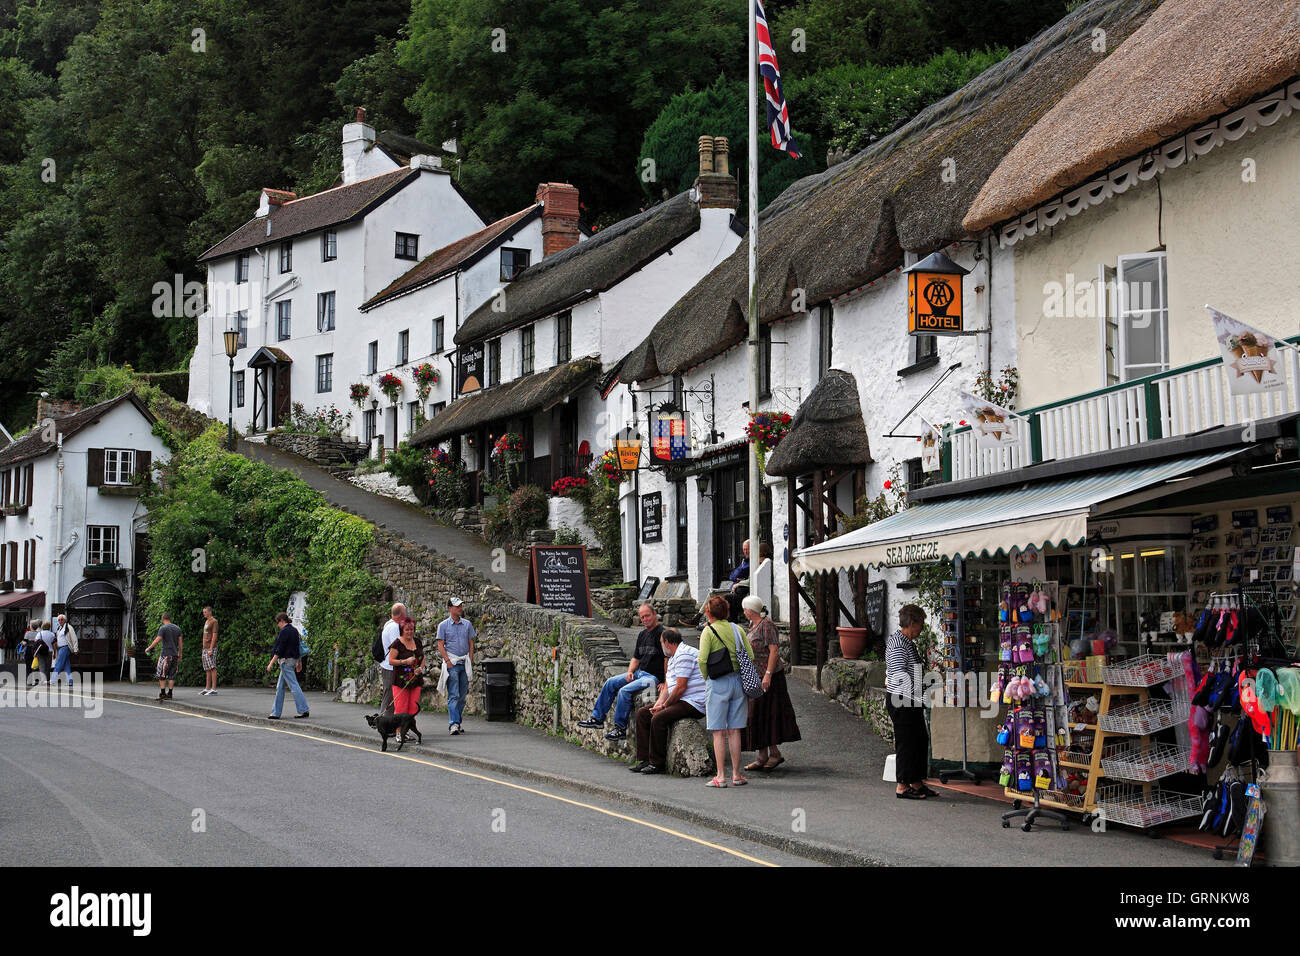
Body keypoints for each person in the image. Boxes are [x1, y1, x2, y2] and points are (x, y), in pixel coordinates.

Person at [578, 602, 664, 740]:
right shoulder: (642, 634)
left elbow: (669, 659)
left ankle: (620, 728)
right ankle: (597, 718)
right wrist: (630, 671)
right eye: (642, 617)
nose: (645, 619)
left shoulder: (662, 634)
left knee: (624, 691)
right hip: (639, 673)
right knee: (610, 682)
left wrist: (665, 681)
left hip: (652, 678)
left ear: (654, 614)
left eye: (647, 616)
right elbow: (636, 658)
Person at [630, 628, 706, 774]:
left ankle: (657, 763)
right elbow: (667, 686)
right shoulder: (673, 657)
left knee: (658, 718)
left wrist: (664, 706)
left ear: (667, 643)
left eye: (661, 643)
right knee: (643, 713)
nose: (661, 646)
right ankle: (645, 759)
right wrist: (659, 703)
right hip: (681, 699)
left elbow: (680, 687)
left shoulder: (684, 655)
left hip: (694, 702)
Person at [740, 595, 800, 771]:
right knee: (757, 715)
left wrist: (767, 675)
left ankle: (773, 754)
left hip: (770, 678)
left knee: (769, 715)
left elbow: (774, 651)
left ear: (751, 610)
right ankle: (763, 755)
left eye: (745, 609)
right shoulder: (753, 624)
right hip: (756, 676)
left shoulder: (767, 625)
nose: (743, 612)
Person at [697, 595, 749, 787]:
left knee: (718, 731)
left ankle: (720, 776)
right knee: (735, 730)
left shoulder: (708, 632)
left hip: (717, 682)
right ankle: (736, 774)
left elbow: (702, 659)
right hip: (737, 681)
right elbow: (749, 655)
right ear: (727, 611)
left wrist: (706, 678)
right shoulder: (738, 629)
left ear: (709, 612)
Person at [887, 604, 937, 800]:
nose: (922, 628)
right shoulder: (899, 644)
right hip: (902, 699)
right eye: (921, 624)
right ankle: (902, 785)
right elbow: (900, 676)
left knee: (919, 740)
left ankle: (916, 782)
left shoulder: (905, 641)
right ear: (912, 622)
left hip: (910, 699)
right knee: (907, 743)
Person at [436, 597, 475, 736]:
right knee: (454, 694)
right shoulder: (443, 625)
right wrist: (447, 660)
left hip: (463, 663)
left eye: (461, 606)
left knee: (462, 696)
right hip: (452, 663)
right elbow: (440, 644)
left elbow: (470, 642)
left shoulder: (467, 624)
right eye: (457, 606)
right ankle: (454, 724)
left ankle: (457, 721)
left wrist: (470, 659)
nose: (460, 608)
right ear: (450, 608)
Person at [267, 611, 309, 719]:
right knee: (280, 687)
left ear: (282, 621)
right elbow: (298, 647)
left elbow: (279, 649)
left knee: (294, 686)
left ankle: (303, 709)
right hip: (293, 660)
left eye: (278, 623)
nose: (278, 625)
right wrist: (299, 662)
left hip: (285, 662)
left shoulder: (284, 632)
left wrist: (270, 663)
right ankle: (275, 713)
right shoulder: (294, 631)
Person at [388, 616, 424, 737]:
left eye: (412, 629)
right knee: (401, 708)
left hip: (415, 680)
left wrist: (421, 668)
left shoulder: (417, 642)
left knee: (413, 708)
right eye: (407, 630)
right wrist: (405, 661)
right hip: (400, 681)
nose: (410, 632)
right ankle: (398, 732)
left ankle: (406, 731)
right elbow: (391, 661)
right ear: (402, 630)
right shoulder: (397, 644)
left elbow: (422, 658)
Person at [145, 612, 182, 701]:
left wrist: (149, 648)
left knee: (162, 675)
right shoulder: (177, 628)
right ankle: (170, 693)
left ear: (163, 619)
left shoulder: (163, 628)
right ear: (170, 619)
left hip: (166, 655)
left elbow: (158, 640)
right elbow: (180, 643)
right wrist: (180, 654)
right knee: (172, 675)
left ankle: (162, 693)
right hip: (174, 655)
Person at [378, 603, 406, 716]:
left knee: (389, 695)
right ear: (401, 614)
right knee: (391, 697)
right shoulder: (394, 627)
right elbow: (398, 648)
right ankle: (385, 723)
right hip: (391, 667)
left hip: (387, 665)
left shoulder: (388, 624)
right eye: (405, 612)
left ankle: (384, 723)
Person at [52, 614, 78, 686]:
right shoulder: (59, 628)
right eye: (59, 620)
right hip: (60, 648)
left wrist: (75, 649)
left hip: (65, 648)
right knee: (66, 666)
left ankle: (52, 680)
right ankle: (70, 681)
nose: (60, 621)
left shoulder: (69, 627)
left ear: (65, 620)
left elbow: (74, 638)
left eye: (62, 619)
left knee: (58, 664)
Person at [200, 606, 219, 695]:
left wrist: (211, 648)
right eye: (203, 612)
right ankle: (207, 688)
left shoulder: (214, 621)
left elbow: (214, 635)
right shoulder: (206, 621)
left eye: (205, 612)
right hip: (205, 647)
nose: (204, 614)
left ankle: (214, 689)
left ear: (209, 612)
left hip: (211, 648)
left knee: (212, 667)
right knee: (207, 668)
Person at [31, 620, 54, 686]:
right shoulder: (52, 634)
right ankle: (48, 680)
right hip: (49, 651)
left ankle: (43, 681)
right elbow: (54, 644)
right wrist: (55, 652)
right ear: (49, 627)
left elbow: (36, 642)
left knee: (42, 666)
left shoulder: (39, 634)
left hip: (40, 652)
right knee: (48, 666)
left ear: (42, 626)